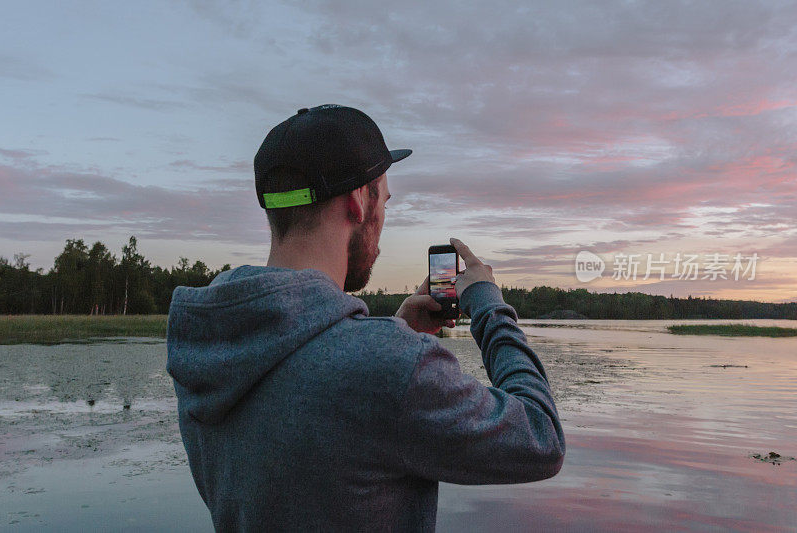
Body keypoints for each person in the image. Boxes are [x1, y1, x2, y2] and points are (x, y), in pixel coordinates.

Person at [166, 104, 565, 532]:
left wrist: (390, 331)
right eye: (385, 201)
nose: (384, 219)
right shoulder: (386, 365)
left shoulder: (207, 342)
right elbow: (540, 439)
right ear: (359, 201)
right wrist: (488, 304)